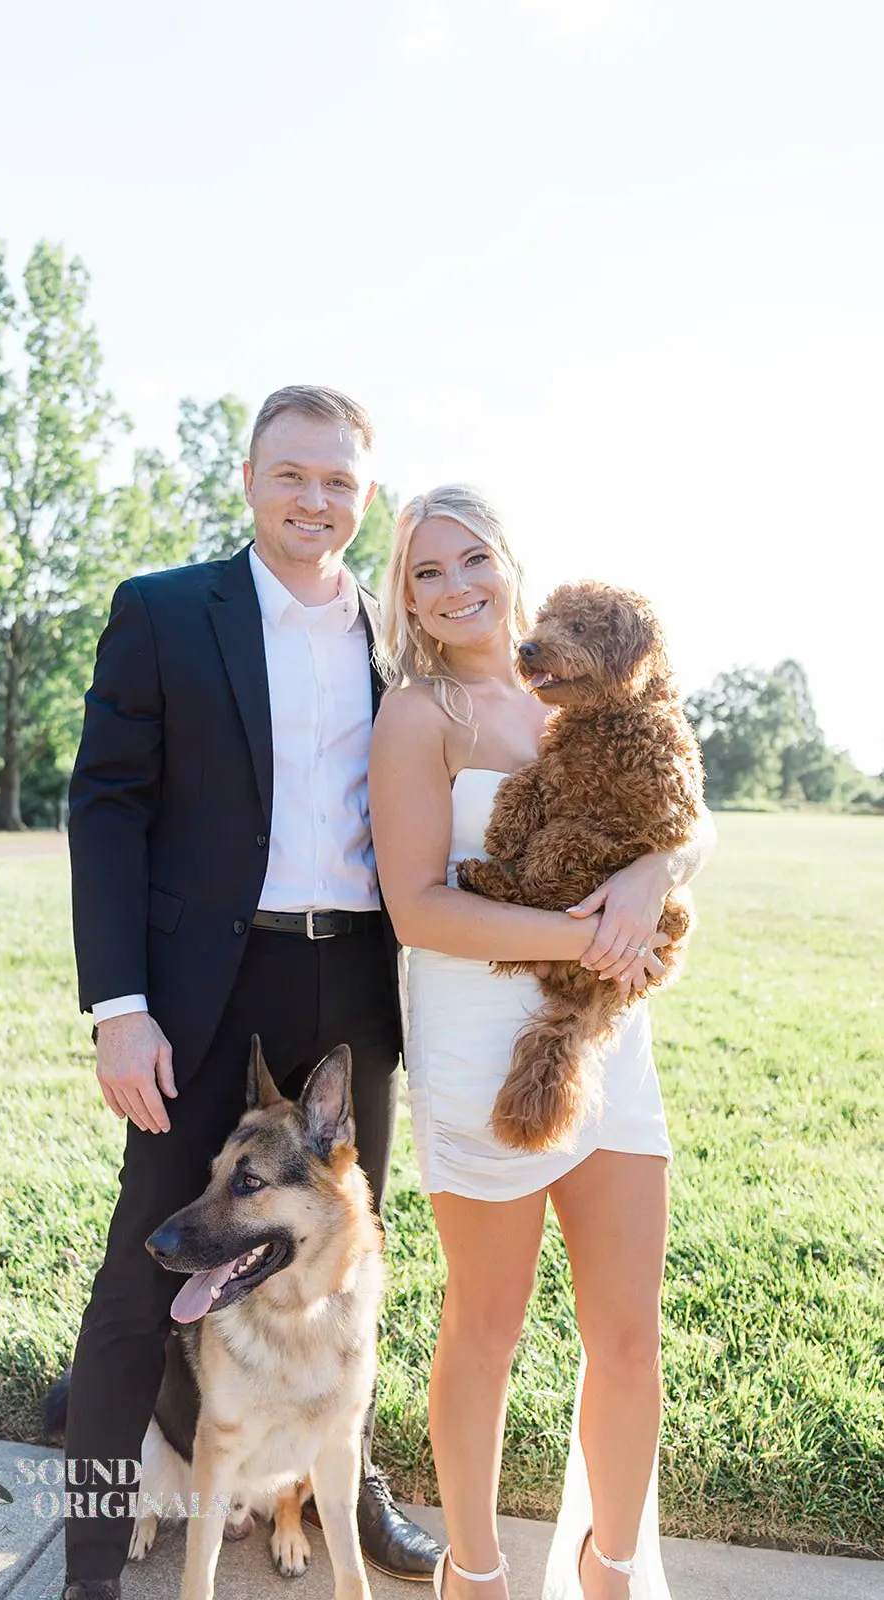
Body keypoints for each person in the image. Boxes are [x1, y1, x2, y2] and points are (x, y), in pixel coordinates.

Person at [61, 386, 442, 1599]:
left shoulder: (400, 636)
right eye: (291, 474)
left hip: (357, 981)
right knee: (144, 1272)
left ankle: (350, 1485)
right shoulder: (167, 610)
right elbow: (105, 807)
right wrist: (119, 1003)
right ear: (248, 479)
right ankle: (87, 1560)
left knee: (344, 1257)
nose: (313, 499)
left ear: (364, 495)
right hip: (205, 990)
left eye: (337, 480)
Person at [368, 485, 716, 1600]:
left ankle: (607, 1567)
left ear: (511, 562)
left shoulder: (583, 684)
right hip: (479, 1044)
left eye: (472, 558)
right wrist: (590, 933)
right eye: (426, 572)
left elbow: (686, 805)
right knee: (486, 1328)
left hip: (605, 1036)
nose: (455, 587)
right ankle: (472, 1572)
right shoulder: (416, 715)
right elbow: (418, 909)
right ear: (407, 598)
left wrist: (655, 872)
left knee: (628, 1336)